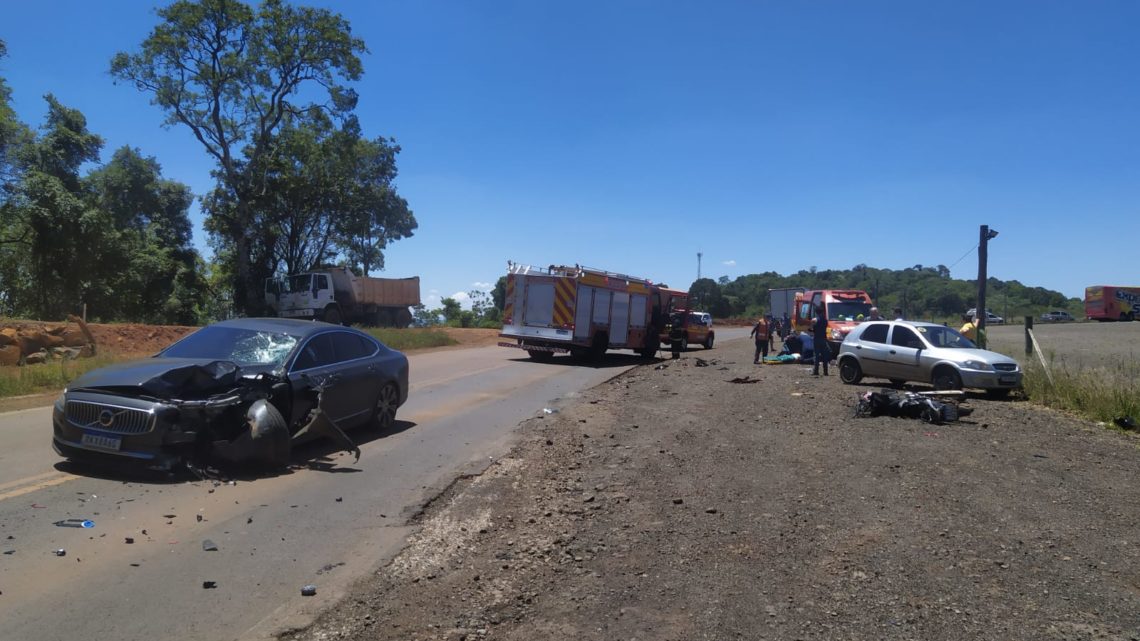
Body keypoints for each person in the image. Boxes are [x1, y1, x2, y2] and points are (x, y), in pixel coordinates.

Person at [812, 303, 830, 376]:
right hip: (823, 339)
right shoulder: (825, 320)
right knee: (824, 356)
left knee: (816, 356)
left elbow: (813, 329)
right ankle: (825, 371)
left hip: (816, 339)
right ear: (822, 312)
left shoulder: (815, 320)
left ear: (816, 312)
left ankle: (816, 371)